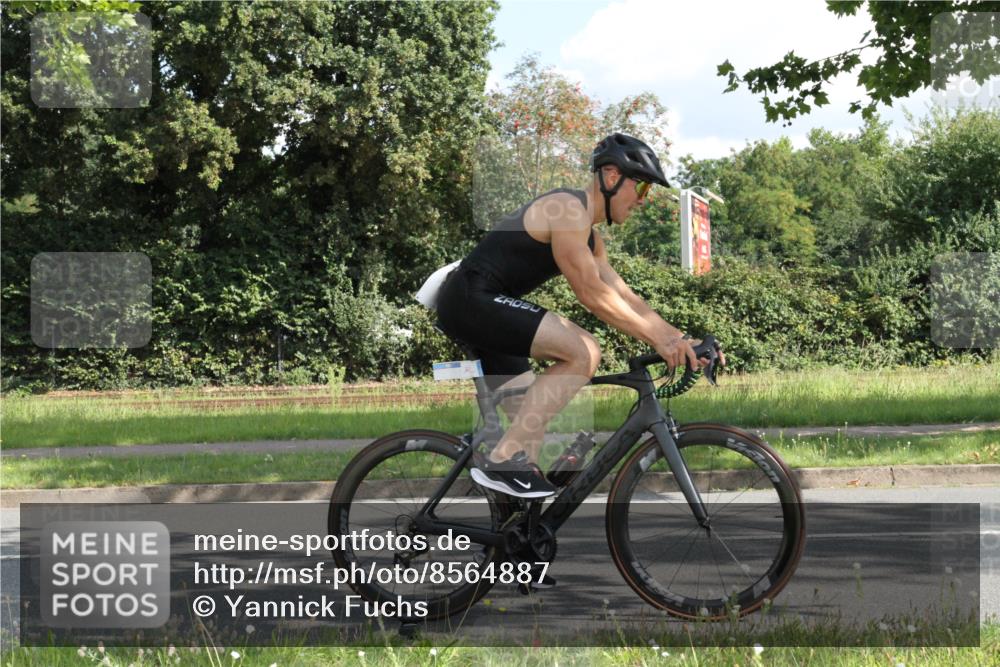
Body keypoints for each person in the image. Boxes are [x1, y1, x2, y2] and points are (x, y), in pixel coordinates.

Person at [435, 133, 705, 499]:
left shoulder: (592, 239)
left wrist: (677, 338)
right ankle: (501, 459)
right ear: (611, 177)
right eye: (640, 188)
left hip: (490, 309)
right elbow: (591, 293)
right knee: (583, 351)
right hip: (471, 299)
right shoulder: (566, 209)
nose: (643, 200)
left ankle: (514, 542)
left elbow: (625, 297)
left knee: (528, 431)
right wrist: (654, 338)